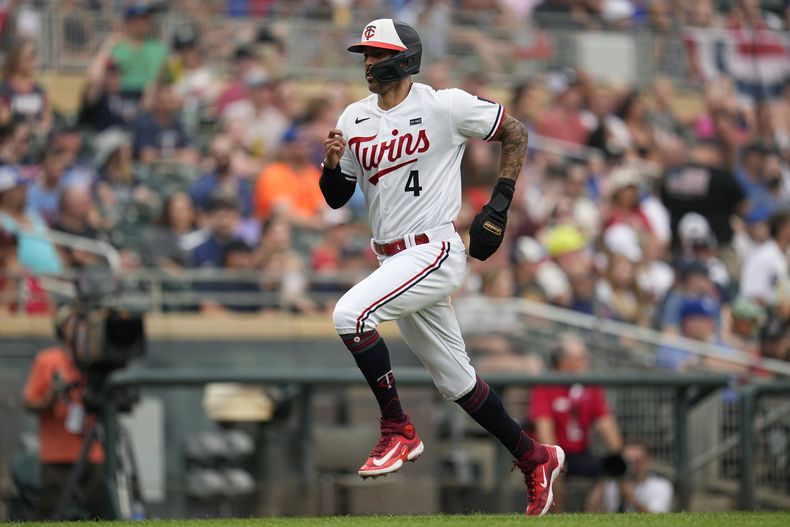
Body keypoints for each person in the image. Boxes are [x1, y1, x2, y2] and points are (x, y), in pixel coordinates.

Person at [319, 19, 563, 516]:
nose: (368, 63)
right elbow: (337, 197)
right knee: (458, 383)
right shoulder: (353, 117)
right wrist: (330, 168)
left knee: (349, 315)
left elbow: (515, 132)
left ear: (405, 58)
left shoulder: (443, 105)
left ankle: (397, 430)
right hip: (392, 257)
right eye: (364, 55)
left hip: (433, 250)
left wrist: (500, 202)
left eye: (377, 54)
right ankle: (534, 455)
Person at [22, 306, 110, 520]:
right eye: (72, 323)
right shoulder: (47, 360)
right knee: (50, 513)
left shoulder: (95, 361)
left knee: (105, 512)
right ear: (61, 328)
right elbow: (29, 403)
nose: (78, 328)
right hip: (57, 453)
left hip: (91, 450)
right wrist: (52, 397)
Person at [528, 334, 623, 510]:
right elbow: (545, 431)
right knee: (552, 468)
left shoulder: (590, 385)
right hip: (551, 453)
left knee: (611, 468)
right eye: (581, 358)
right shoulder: (545, 385)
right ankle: (559, 520)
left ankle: (592, 519)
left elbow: (606, 423)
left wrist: (618, 456)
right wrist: (557, 460)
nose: (586, 362)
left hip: (580, 452)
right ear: (563, 362)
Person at [586, 440, 673, 513]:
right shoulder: (611, 485)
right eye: (627, 461)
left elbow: (657, 519)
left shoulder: (660, 486)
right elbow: (590, 513)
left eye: (637, 461)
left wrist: (632, 499)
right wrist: (605, 476)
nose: (632, 466)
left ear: (647, 461)